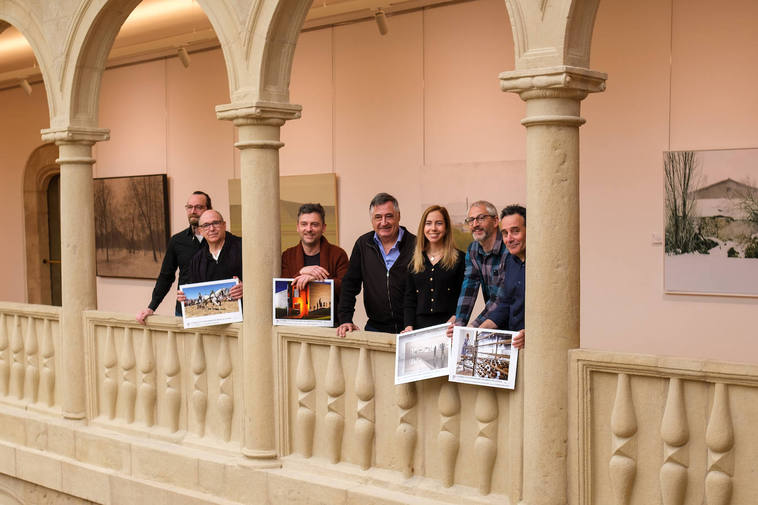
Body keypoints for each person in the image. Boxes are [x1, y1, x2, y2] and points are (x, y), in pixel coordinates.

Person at [446, 200, 524, 349]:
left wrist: (473, 328)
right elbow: (468, 288)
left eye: (481, 218)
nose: (475, 224)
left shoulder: (509, 249)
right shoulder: (473, 249)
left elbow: (501, 299)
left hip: (514, 324)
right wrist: (459, 325)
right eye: (471, 220)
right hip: (492, 323)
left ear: (495, 221)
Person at [337, 193, 416, 336]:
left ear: (398, 216)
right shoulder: (363, 244)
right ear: (372, 220)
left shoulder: (416, 245)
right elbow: (349, 284)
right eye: (378, 217)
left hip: (411, 329)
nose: (384, 222)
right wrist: (345, 319)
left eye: (389, 216)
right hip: (376, 329)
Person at [136, 191, 211, 324]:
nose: (193, 211)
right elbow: (166, 277)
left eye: (199, 207)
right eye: (189, 207)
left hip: (216, 310)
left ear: (208, 209)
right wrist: (151, 307)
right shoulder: (177, 241)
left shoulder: (222, 239)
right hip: (184, 311)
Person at [401, 205, 464, 332]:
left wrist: (455, 320)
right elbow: (409, 298)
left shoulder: (460, 259)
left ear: (446, 228)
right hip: (418, 330)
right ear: (423, 228)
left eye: (439, 223)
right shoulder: (414, 260)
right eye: (428, 223)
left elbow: (463, 296)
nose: (433, 228)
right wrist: (408, 327)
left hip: (449, 329)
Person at [281, 203, 349, 296]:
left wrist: (315, 280)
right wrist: (301, 272)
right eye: (304, 224)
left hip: (332, 310)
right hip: (297, 309)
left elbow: (347, 287)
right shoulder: (287, 255)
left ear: (323, 228)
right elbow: (283, 291)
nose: (309, 229)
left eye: (314, 224)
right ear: (297, 227)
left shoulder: (338, 254)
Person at [177, 209, 243, 303]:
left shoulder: (243, 247)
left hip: (248, 314)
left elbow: (264, 278)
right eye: (206, 225)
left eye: (215, 223)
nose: (212, 229)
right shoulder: (196, 260)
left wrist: (247, 288)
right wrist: (185, 297)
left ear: (224, 225)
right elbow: (194, 290)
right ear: (200, 231)